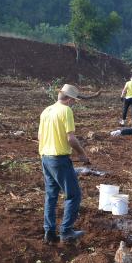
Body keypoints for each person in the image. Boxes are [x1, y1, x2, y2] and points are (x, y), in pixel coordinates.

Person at [39, 84, 90, 244]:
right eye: (73, 100)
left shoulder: (46, 110)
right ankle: (66, 231)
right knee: (73, 195)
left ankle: (49, 232)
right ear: (68, 99)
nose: (73, 103)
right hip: (59, 159)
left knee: (51, 196)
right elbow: (71, 138)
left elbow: (40, 137)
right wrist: (82, 154)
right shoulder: (66, 110)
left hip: (45, 158)